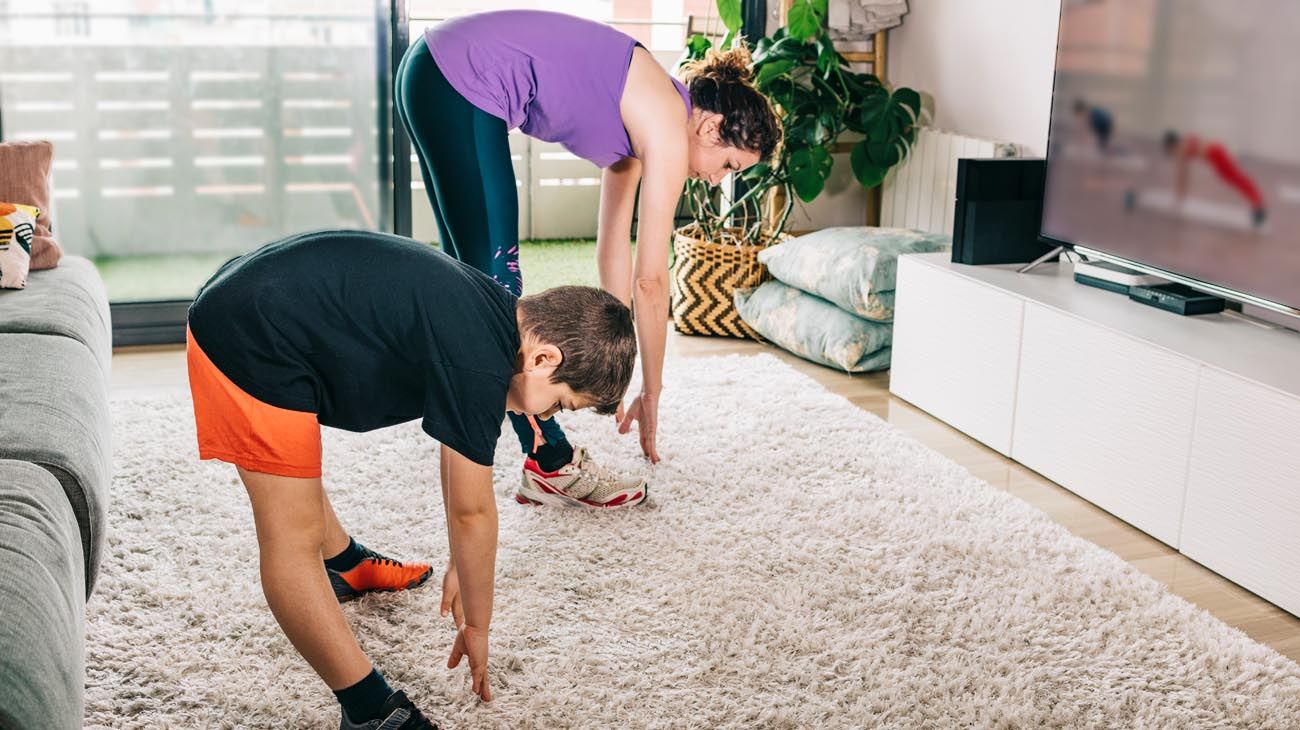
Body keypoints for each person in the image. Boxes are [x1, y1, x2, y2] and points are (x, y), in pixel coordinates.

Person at [186, 229, 637, 728]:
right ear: (544, 359)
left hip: (261, 299)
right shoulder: (480, 359)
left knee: (298, 474)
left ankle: (345, 564)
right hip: (248, 334)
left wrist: (464, 567)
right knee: (290, 537)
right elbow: (473, 512)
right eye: (559, 403)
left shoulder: (495, 321)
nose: (549, 413)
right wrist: (479, 627)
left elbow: (457, 462)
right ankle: (367, 710)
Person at [395, 9, 781, 508]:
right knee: (497, 295)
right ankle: (549, 463)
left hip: (432, 71)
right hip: (459, 79)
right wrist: (653, 390)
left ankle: (498, 431)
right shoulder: (666, 122)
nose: (715, 179)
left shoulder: (646, 120)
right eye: (728, 165)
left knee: (473, 287)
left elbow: (612, 248)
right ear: (711, 126)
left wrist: (611, 358)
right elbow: (650, 280)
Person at [1161, 129, 1267, 227]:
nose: (1171, 153)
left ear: (1171, 145)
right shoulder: (1184, 141)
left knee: (1237, 178)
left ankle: (1258, 206)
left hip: (1215, 154)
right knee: (1234, 179)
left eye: (1168, 149)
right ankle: (1257, 205)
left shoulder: (1181, 149)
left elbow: (1183, 176)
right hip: (1216, 152)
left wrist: (1178, 198)